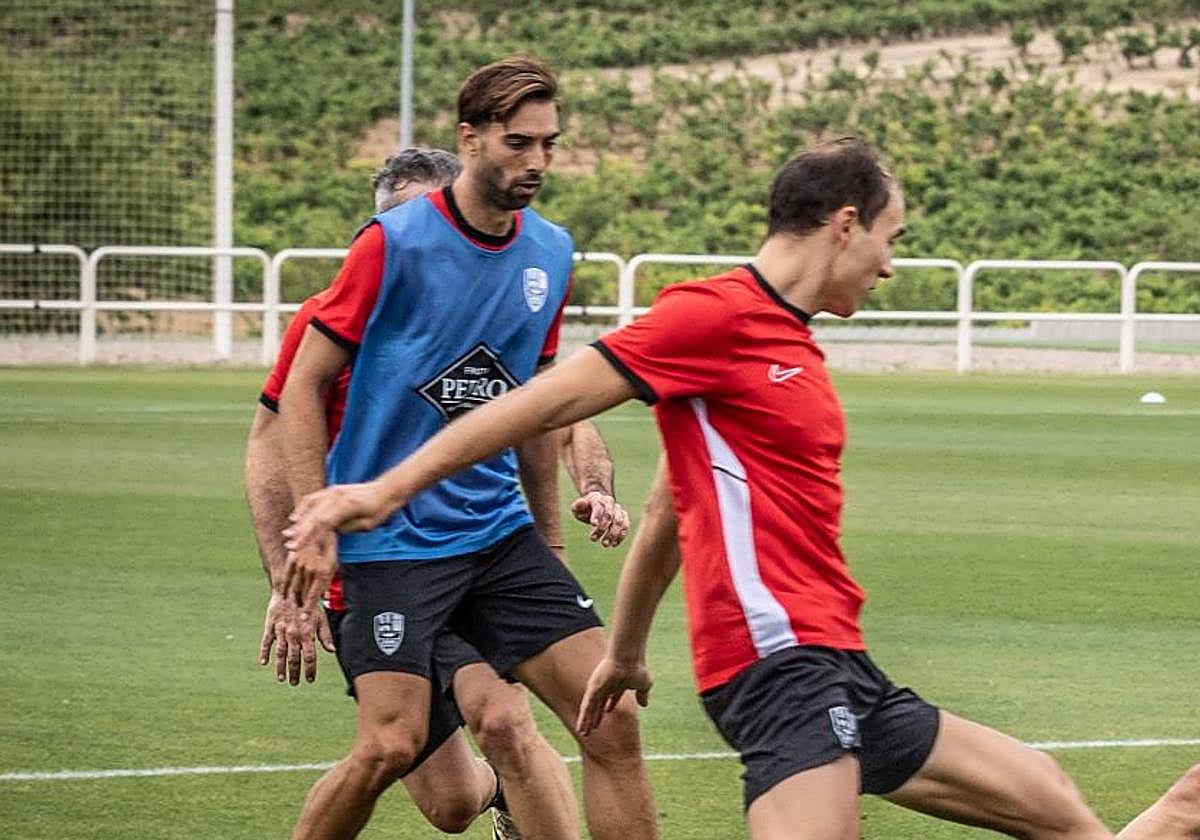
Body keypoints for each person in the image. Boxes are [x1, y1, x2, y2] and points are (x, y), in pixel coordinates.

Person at [282, 137, 1200, 840]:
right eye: (889, 238)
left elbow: (668, 510)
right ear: (845, 221)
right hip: (781, 670)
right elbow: (539, 401)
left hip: (844, 665)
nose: (890, 263)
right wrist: (379, 490)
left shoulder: (794, 343)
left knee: (1063, 811)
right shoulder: (712, 317)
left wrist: (629, 648)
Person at [276, 57, 657, 840]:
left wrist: (549, 538)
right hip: (389, 548)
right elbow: (301, 387)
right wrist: (315, 523)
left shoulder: (551, 253)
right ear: (471, 137)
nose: (538, 162)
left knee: (610, 718)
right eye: (520, 143)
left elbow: (538, 408)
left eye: (549, 144)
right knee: (391, 745)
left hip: (496, 536)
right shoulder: (393, 244)